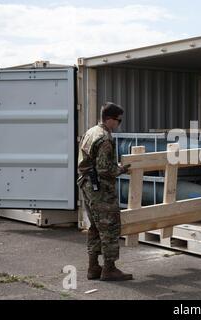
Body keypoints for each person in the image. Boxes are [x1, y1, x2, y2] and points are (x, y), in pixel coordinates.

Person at [77, 102, 132, 281]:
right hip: (100, 189)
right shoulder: (105, 139)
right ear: (109, 120)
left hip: (87, 184)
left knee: (94, 227)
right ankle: (109, 269)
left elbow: (92, 161)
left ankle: (93, 267)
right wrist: (122, 169)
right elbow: (104, 169)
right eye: (118, 120)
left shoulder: (91, 132)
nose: (118, 124)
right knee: (109, 227)